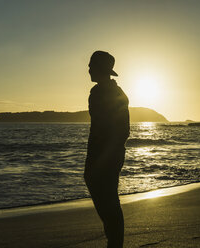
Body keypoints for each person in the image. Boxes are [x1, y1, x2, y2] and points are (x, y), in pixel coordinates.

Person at [84, 51, 129, 248]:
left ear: (99, 69)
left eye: (91, 66)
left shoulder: (114, 94)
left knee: (109, 199)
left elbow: (122, 130)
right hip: (98, 155)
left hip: (107, 156)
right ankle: (113, 240)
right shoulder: (97, 92)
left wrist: (107, 156)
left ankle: (115, 242)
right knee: (105, 197)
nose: (88, 69)